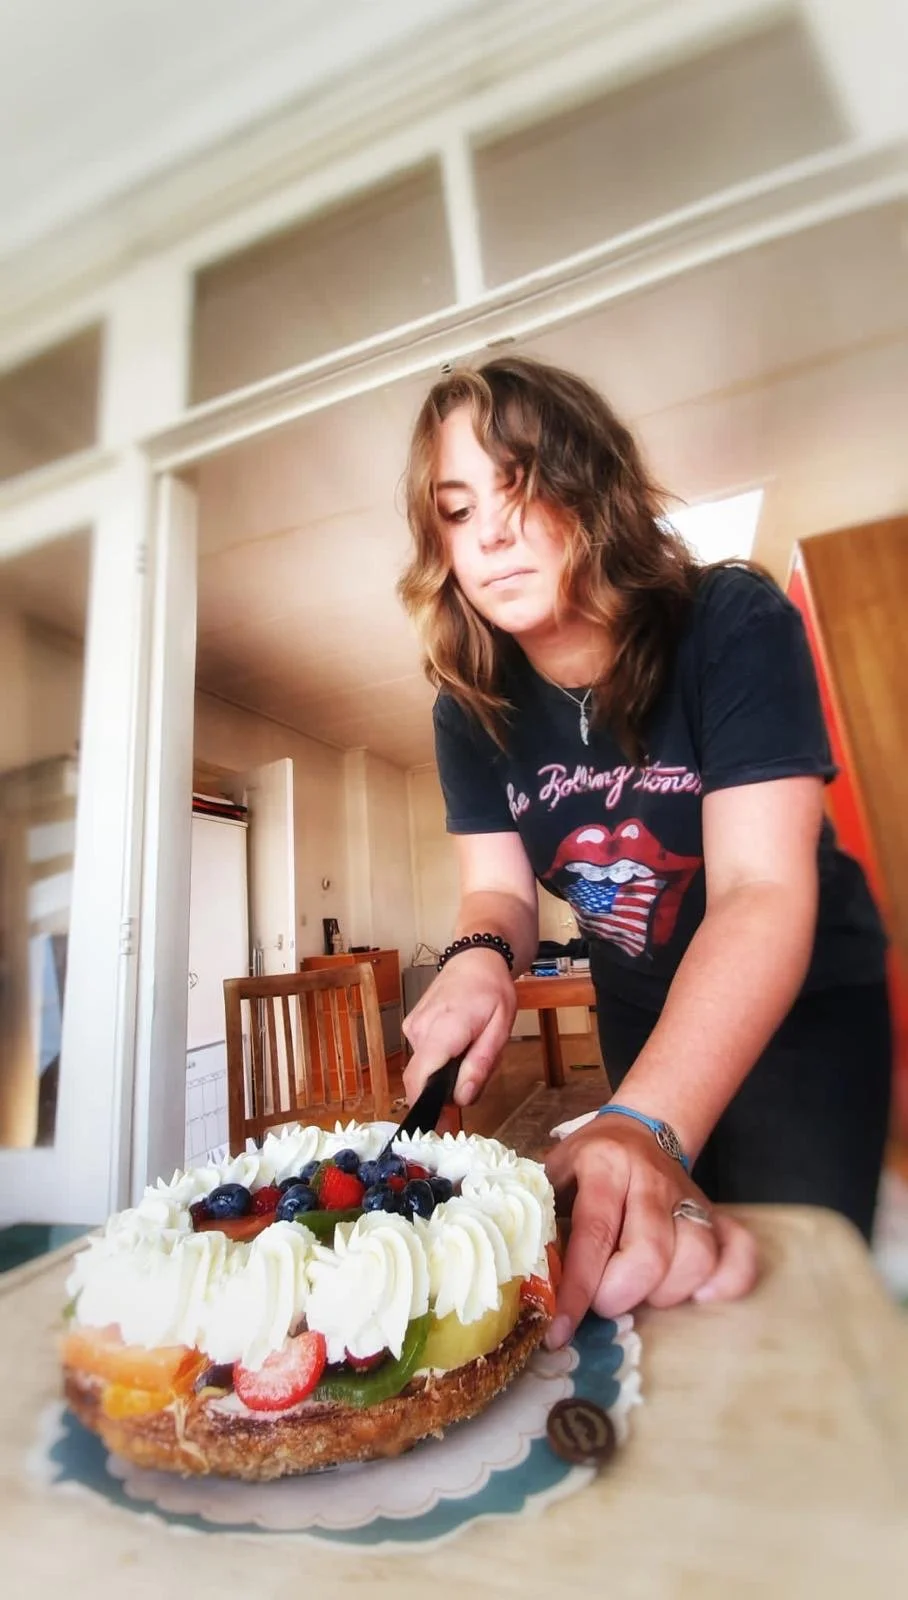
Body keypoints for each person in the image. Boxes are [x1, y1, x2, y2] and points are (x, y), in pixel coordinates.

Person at [397, 355, 891, 1351]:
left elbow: (758, 891)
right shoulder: (468, 705)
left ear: (591, 486)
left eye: (518, 485)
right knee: (662, 1280)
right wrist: (477, 959)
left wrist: (646, 1122)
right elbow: (496, 890)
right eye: (454, 510)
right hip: (638, 1002)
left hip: (800, 1000)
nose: (487, 531)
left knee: (794, 1284)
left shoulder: (731, 623)